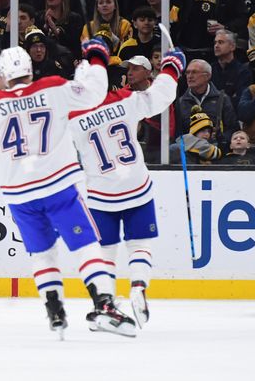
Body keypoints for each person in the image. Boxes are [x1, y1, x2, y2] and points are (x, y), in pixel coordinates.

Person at [0, 39, 137, 337]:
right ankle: (104, 304)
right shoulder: (52, 87)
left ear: (4, 74)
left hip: (19, 195)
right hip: (57, 185)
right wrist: (96, 59)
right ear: (29, 68)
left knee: (42, 253)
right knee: (86, 246)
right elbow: (94, 93)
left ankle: (54, 307)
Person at [68, 47, 185, 329]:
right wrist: (171, 67)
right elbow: (161, 96)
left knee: (105, 252)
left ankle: (104, 304)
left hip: (100, 194)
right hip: (136, 186)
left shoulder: (70, 120)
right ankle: (138, 287)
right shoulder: (125, 99)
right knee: (140, 245)